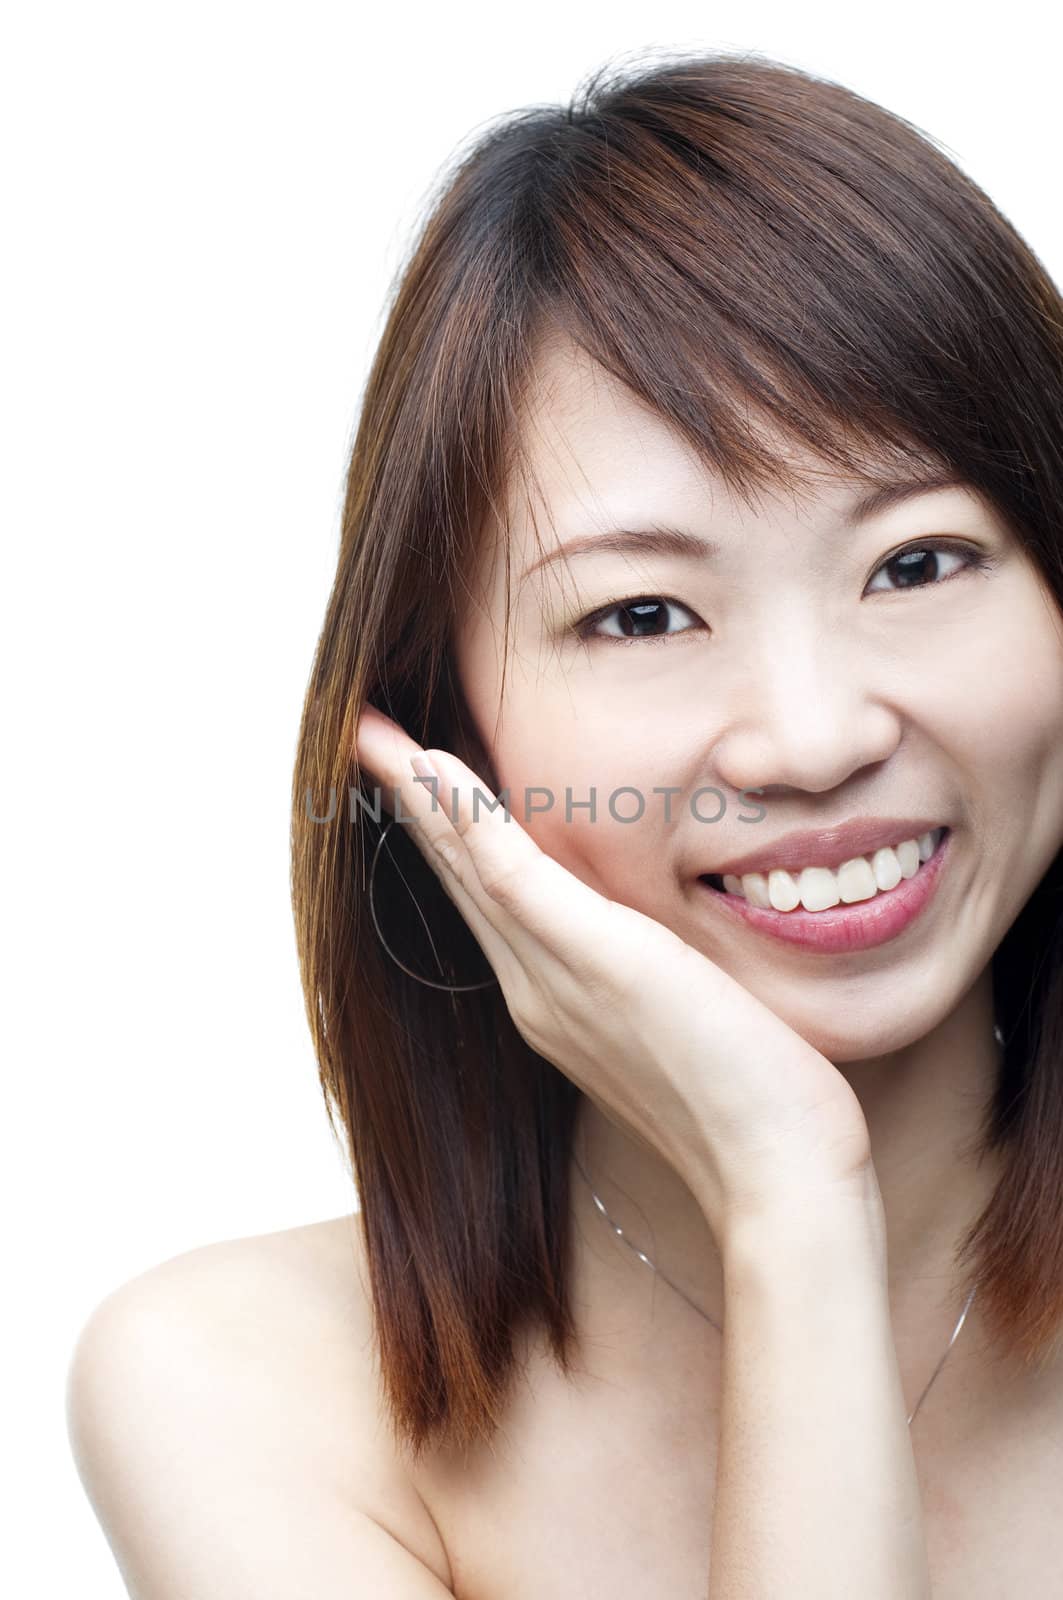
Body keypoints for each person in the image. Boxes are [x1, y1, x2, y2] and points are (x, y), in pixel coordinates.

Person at [67, 49, 1063, 1597]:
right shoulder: (244, 1394)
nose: (814, 736)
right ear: (442, 728)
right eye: (643, 612)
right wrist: (791, 1201)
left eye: (919, 564)